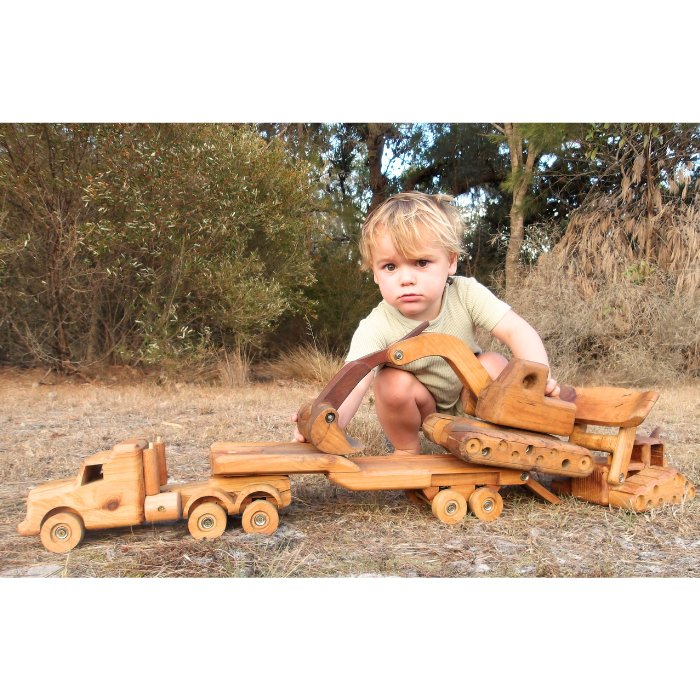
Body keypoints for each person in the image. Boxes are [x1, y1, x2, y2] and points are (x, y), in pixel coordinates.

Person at [293, 191, 560, 456]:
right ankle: (407, 449)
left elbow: (516, 330)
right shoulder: (376, 325)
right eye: (390, 267)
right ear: (374, 272)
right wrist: (326, 422)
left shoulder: (466, 293)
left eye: (421, 262)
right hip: (422, 408)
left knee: (494, 363)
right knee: (389, 382)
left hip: (474, 398)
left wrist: (539, 380)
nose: (406, 278)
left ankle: (494, 439)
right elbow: (354, 380)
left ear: (451, 262)